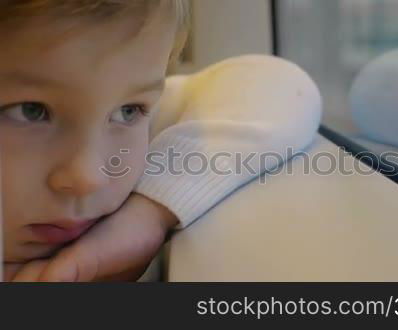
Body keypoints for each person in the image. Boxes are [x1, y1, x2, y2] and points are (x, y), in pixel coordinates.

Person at [0, 0, 322, 281]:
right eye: (30, 111)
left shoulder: (148, 123)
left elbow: (280, 86)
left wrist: (148, 215)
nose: (90, 178)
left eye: (128, 111)